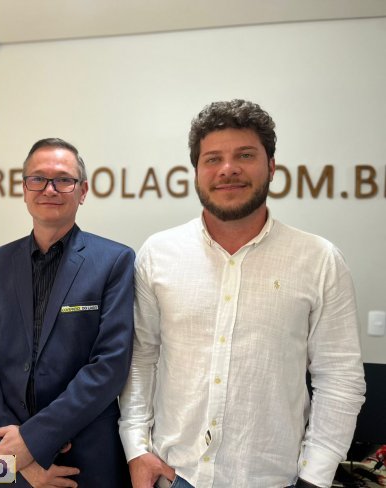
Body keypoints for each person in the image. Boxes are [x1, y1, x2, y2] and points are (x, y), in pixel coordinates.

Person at [119, 100, 366, 488]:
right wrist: (136, 448)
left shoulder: (319, 260)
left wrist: (315, 477)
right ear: (196, 172)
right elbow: (141, 358)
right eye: (213, 159)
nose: (228, 169)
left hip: (273, 478)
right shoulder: (158, 253)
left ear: (271, 166)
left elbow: (339, 379)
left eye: (245, 155)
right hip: (174, 474)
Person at [0, 138, 134, 487]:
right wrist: (14, 447)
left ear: (83, 191)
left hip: (84, 459)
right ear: (24, 188)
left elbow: (109, 365)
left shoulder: (115, 261)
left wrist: (32, 441)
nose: (49, 189)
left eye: (63, 180)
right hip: (4, 457)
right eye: (38, 179)